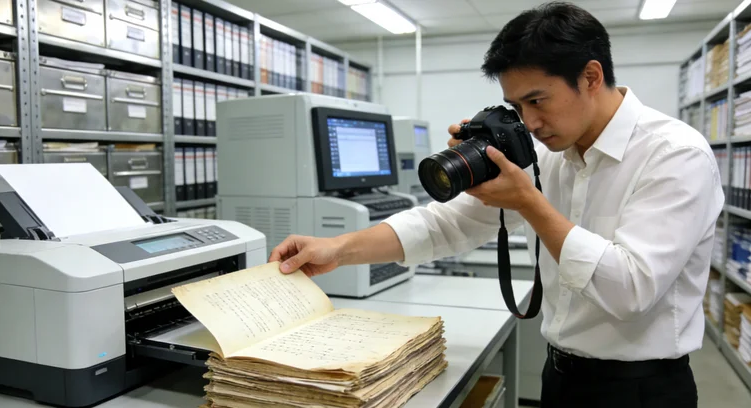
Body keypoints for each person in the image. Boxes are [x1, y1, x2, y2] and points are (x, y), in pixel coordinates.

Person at [269, 2, 723, 407]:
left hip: (641, 390)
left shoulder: (675, 154)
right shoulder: (548, 152)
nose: (530, 122)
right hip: (561, 376)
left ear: (590, 77)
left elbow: (632, 289)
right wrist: (337, 249)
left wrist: (528, 202)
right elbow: (444, 225)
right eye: (515, 106)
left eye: (537, 100)